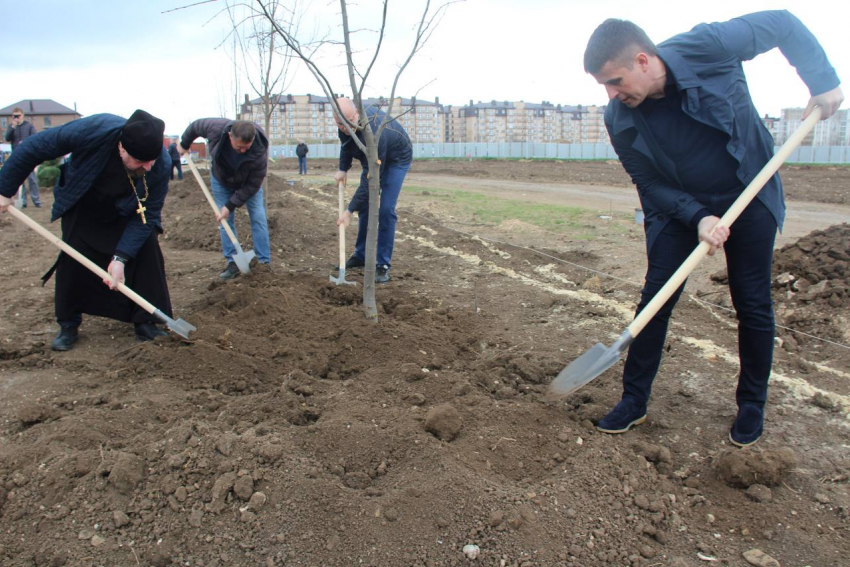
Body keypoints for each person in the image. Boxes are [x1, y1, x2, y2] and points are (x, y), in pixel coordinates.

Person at [582, 12, 844, 447]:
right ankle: (633, 400)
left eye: (615, 81)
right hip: (678, 208)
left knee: (752, 300)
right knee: (655, 299)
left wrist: (822, 79)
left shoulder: (709, 45)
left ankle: (751, 404)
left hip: (749, 188)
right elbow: (647, 182)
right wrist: (698, 216)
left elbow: (781, 23)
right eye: (605, 86)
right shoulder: (619, 117)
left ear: (643, 61)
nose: (612, 94)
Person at [0, 109, 175, 351]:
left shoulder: (160, 163)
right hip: (83, 199)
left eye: (151, 160)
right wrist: (4, 189)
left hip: (127, 209)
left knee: (146, 252)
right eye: (140, 161)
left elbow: (149, 215)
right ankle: (68, 324)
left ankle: (146, 321)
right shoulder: (95, 129)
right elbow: (34, 147)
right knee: (73, 255)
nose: (147, 167)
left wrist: (120, 258)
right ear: (122, 148)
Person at [178, 119, 271, 280]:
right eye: (239, 147)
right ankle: (233, 262)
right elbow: (195, 127)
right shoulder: (215, 128)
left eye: (246, 147)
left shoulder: (259, 151)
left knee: (258, 217)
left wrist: (230, 205)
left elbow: (252, 185)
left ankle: (263, 263)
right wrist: (184, 143)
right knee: (225, 222)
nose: (242, 151)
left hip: (247, 182)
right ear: (230, 136)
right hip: (221, 180)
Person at [334, 97, 412, 284]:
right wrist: (343, 168)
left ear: (357, 113)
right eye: (341, 124)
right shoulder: (344, 125)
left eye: (350, 121)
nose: (346, 127)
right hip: (373, 159)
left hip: (396, 158)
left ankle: (382, 264)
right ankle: (361, 255)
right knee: (366, 207)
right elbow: (346, 144)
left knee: (385, 209)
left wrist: (348, 210)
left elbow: (371, 179)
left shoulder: (374, 130)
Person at [4, 107, 42, 208]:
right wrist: (13, 127)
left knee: (32, 179)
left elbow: (35, 138)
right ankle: (23, 201)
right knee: (20, 181)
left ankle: (36, 200)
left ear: (23, 115)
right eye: (14, 116)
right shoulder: (11, 127)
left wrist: (25, 142)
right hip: (16, 157)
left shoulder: (29, 126)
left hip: (28, 156)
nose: (17, 118)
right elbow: (7, 138)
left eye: (18, 115)